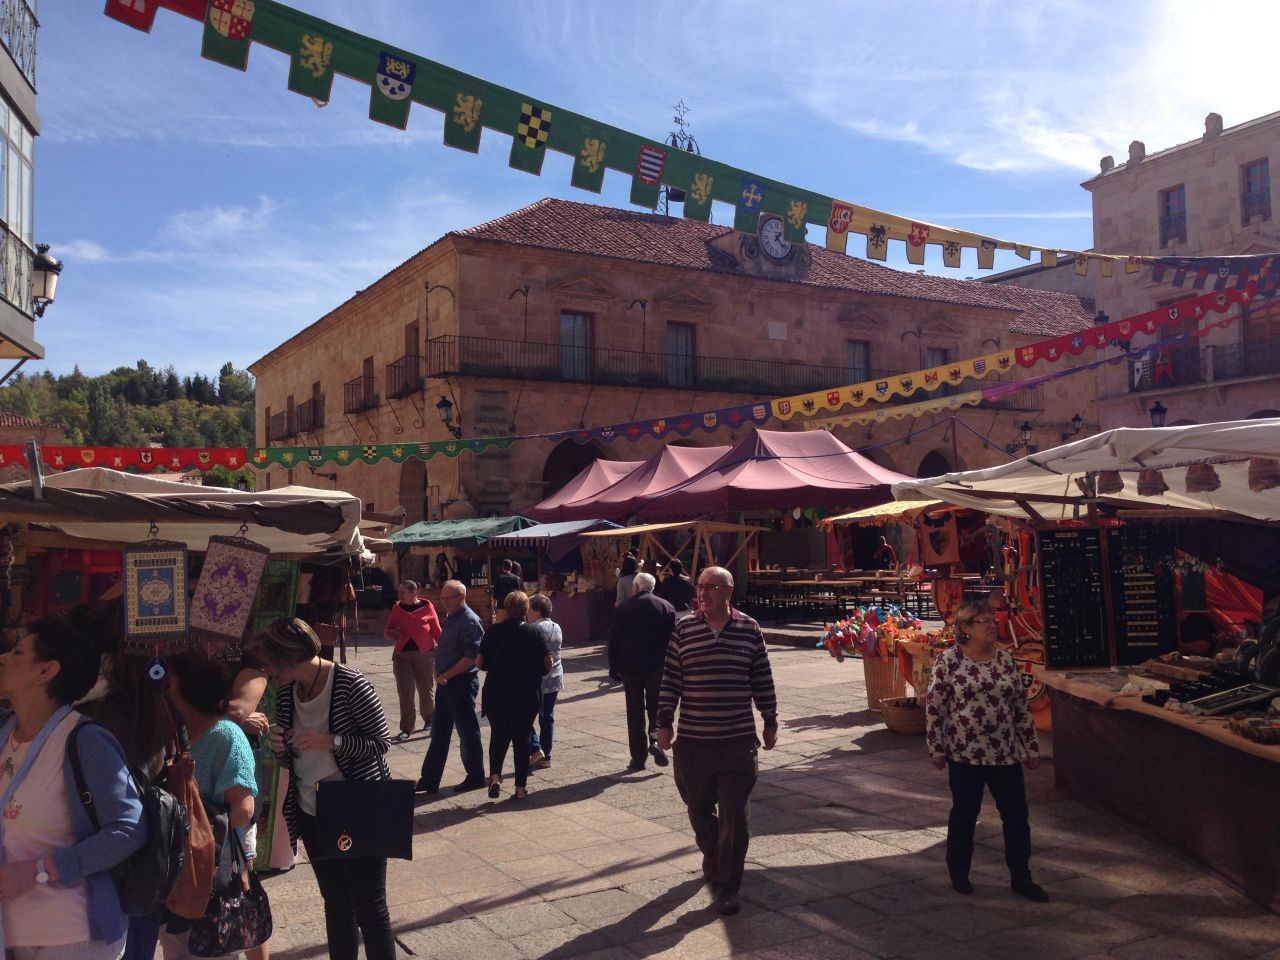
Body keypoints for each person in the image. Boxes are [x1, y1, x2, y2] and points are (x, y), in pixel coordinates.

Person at [0, 616, 147, 960]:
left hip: (73, 936)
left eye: (18, 652)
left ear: (46, 671)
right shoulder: (5, 732)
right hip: (9, 933)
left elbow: (129, 829)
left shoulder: (86, 740)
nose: (4, 657)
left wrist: (40, 869)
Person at [250, 618, 397, 960]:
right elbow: (289, 754)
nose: (269, 673)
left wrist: (333, 741)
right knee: (335, 903)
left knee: (370, 907)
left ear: (289, 656)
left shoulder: (349, 683)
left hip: (358, 804)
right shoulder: (288, 691)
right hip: (312, 807)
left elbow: (380, 743)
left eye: (271, 664)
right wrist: (278, 742)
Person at [656, 567, 776, 917]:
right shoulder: (684, 628)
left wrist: (770, 720)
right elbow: (671, 678)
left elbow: (762, 678)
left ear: (729, 591)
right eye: (700, 587)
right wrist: (664, 721)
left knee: (734, 818)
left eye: (711, 587)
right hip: (694, 742)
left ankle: (726, 886)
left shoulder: (749, 629)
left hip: (738, 740)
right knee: (698, 809)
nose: (703, 593)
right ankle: (715, 856)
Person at [925, 601, 1047, 903]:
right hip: (965, 753)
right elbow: (935, 707)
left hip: (1004, 754)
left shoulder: (1006, 660)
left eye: (994, 621)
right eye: (984, 622)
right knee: (965, 814)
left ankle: (1022, 876)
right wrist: (936, 748)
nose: (993, 625)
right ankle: (959, 871)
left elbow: (1020, 706)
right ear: (966, 628)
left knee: (1017, 816)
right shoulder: (948, 661)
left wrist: (1030, 746)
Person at [160, 651, 264, 960]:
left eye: (170, 683)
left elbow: (243, 809)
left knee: (212, 942)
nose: (163, 688)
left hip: (216, 856)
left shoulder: (226, 736)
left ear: (188, 691)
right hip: (183, 856)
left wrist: (199, 839)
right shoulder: (173, 733)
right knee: (178, 940)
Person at [416, 580, 487, 794]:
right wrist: (438, 672)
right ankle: (429, 779)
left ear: (461, 598)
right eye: (443, 598)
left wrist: (446, 674)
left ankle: (475, 776)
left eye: (449, 598)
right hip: (445, 683)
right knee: (439, 733)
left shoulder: (470, 621)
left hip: (461, 683)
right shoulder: (452, 618)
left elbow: (471, 657)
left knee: (467, 732)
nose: (445, 602)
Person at [477, 592, 548, 800]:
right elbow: (548, 663)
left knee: (498, 736)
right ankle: (520, 787)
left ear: (506, 609)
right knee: (522, 739)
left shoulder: (493, 631)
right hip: (525, 694)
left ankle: (496, 776)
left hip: (497, 693)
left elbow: (480, 663)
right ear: (526, 609)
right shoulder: (534, 632)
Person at [610, 573, 676, 772]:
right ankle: (655, 739)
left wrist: (613, 666)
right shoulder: (666, 606)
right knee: (656, 705)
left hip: (630, 666)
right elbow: (673, 640)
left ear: (636, 587)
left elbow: (614, 639)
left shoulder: (624, 607)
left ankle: (638, 758)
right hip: (657, 665)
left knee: (635, 711)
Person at [384, 580, 442, 742]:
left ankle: (430, 720)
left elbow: (437, 631)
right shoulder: (397, 608)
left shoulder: (427, 607)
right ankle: (407, 728)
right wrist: (391, 633)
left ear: (414, 592)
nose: (399, 595)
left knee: (426, 688)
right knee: (405, 691)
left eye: (403, 592)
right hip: (402, 656)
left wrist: (446, 649)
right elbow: (387, 630)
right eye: (399, 592)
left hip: (425, 654)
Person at [526, 594, 563, 771]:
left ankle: (535, 748)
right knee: (547, 717)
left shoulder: (533, 629)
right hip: (555, 677)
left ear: (536, 610)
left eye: (528, 608)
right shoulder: (557, 627)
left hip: (537, 679)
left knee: (524, 716)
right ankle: (545, 755)